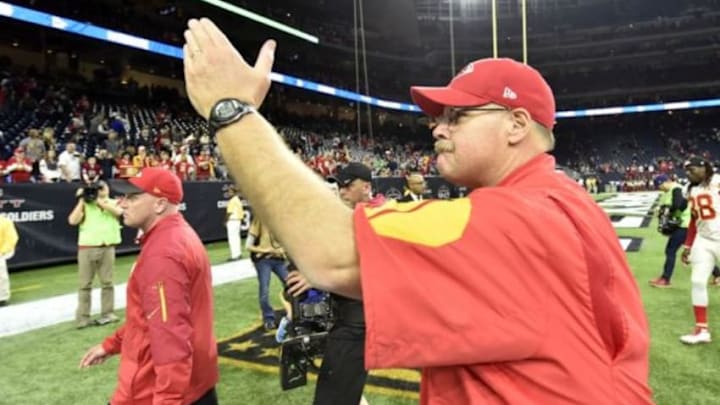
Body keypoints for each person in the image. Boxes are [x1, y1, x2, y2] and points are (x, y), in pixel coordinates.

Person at [182, 19, 653, 403]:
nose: (437, 126)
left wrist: (232, 111)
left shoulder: (519, 215)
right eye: (439, 116)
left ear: (516, 124)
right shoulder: (558, 199)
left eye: (458, 115)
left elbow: (331, 254)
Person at [79, 167, 219, 404]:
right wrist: (111, 345)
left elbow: (170, 337)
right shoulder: (176, 236)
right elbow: (150, 319)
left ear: (159, 204)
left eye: (132, 197)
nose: (122, 203)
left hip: (153, 389)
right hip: (195, 384)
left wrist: (167, 399)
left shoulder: (163, 253)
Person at [287, 162, 379, 405]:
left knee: (333, 395)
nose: (342, 190)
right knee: (347, 387)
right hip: (345, 314)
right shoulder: (348, 217)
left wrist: (318, 276)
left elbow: (374, 270)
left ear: (366, 186)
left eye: (348, 185)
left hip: (359, 320)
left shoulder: (378, 216)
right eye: (340, 185)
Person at [68, 180, 123, 328]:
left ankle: (108, 313)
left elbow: (119, 212)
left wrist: (100, 201)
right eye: (96, 189)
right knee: (85, 284)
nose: (99, 190)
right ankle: (82, 318)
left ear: (107, 189)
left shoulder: (115, 202)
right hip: (87, 247)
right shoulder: (86, 204)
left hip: (107, 246)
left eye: (101, 188)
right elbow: (73, 221)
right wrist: (82, 200)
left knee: (107, 282)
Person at [679, 156, 720, 344]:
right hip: (703, 239)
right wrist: (687, 245)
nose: (688, 174)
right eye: (686, 171)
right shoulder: (690, 189)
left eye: (692, 169)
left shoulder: (717, 181)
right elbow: (694, 220)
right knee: (697, 281)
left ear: (704, 168)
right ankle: (702, 330)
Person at [246, 215, 288, 330]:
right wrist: (266, 250)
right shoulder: (259, 219)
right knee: (264, 289)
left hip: (279, 259)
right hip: (263, 260)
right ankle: (268, 318)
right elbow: (248, 246)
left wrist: (282, 250)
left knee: (292, 285)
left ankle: (294, 313)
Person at [649, 175, 690, 288]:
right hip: (684, 224)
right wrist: (663, 209)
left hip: (683, 224)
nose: (659, 188)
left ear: (664, 182)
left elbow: (678, 205)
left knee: (670, 250)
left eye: (659, 186)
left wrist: (666, 211)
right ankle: (718, 274)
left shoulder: (676, 189)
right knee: (696, 253)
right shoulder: (674, 189)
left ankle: (666, 279)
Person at [0, 214, 19, 306]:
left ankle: (2, 297)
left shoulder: (5, 221)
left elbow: (12, 239)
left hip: (2, 251)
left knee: (0, 265)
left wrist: (2, 252)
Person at [225, 184, 244, 261]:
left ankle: (234, 255)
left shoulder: (232, 200)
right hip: (238, 220)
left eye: (230, 192)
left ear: (234, 192)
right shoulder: (238, 200)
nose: (229, 193)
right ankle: (238, 253)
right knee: (236, 238)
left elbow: (229, 212)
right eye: (229, 192)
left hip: (232, 220)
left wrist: (225, 220)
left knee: (232, 238)